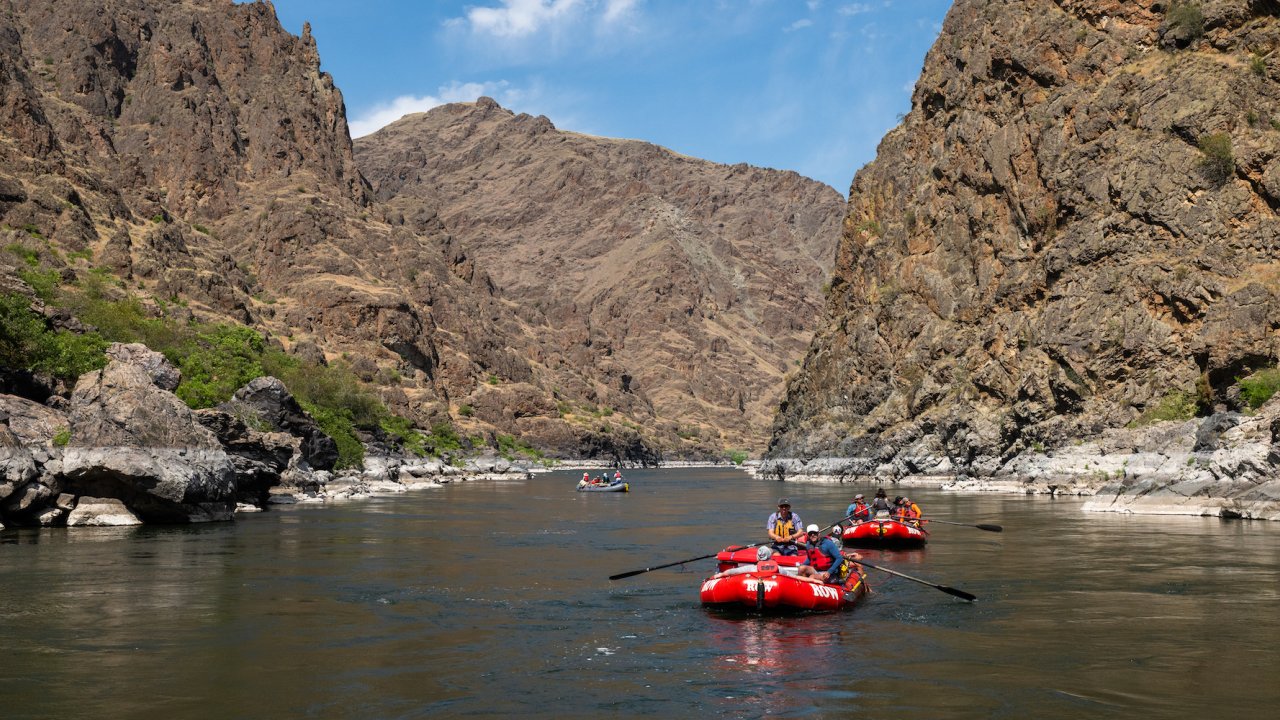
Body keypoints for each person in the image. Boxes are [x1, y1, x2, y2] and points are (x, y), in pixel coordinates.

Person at [712, 545, 804, 579]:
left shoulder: (752, 568)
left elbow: (732, 571)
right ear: (769, 557)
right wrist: (813, 581)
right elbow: (796, 577)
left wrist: (719, 575)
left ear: (758, 558)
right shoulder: (778, 569)